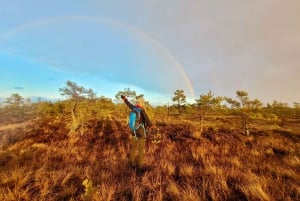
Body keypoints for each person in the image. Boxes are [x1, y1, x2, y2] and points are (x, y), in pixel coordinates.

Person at [121, 94, 154, 170]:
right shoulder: (142, 110)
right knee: (141, 149)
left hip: (134, 131)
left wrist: (125, 99)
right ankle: (140, 166)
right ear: (142, 103)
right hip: (141, 132)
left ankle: (131, 163)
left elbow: (129, 104)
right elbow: (147, 120)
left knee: (133, 148)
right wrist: (152, 126)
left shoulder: (134, 108)